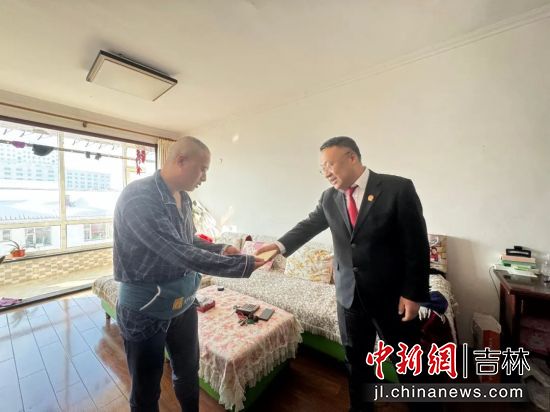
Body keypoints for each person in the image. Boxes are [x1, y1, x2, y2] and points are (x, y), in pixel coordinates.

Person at [256, 136, 431, 412]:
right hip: (349, 296)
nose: (325, 172)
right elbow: (308, 225)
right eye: (321, 168)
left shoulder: (397, 188)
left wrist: (413, 293)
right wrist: (278, 246)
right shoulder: (329, 198)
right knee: (356, 360)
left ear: (352, 157)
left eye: (329, 164)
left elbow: (417, 244)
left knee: (408, 361)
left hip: (391, 296)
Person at [113, 136, 264, 412]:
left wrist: (221, 249)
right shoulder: (139, 197)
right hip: (145, 309)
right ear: (180, 160)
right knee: (146, 389)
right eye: (202, 169)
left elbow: (188, 240)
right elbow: (176, 250)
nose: (205, 177)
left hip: (182, 302)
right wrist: (241, 265)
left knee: (188, 371)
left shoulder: (184, 198)